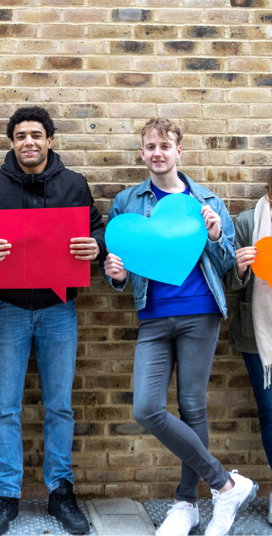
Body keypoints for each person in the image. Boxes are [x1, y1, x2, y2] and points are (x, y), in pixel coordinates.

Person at [103, 118, 258, 536]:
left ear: (179, 151)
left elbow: (229, 265)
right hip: (152, 317)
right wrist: (114, 274)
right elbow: (119, 268)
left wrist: (214, 234)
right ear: (141, 153)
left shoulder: (205, 200)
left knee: (193, 407)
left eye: (165, 145)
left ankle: (187, 502)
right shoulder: (126, 203)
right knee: (147, 408)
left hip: (200, 314)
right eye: (149, 146)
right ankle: (226, 484)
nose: (157, 153)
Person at [0, 106, 105, 535]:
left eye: (36, 135)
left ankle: (61, 492)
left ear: (50, 140)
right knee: (5, 408)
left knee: (59, 406)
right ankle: (7, 494)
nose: (28, 141)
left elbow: (99, 231)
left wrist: (94, 247)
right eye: (20, 135)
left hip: (59, 308)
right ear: (12, 142)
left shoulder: (73, 184)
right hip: (7, 308)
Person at [224, 171, 272, 525]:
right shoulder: (247, 221)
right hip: (260, 335)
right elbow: (230, 283)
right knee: (271, 412)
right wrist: (240, 269)